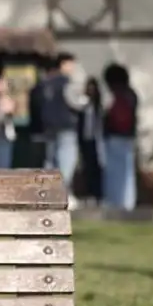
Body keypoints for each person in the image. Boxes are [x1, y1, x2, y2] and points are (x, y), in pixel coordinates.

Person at [38, 52, 88, 206]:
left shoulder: (46, 83)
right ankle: (63, 194)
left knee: (51, 161)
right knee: (66, 162)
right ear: (64, 64)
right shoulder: (67, 82)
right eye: (71, 64)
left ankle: (47, 194)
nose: (73, 68)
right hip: (66, 127)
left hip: (49, 127)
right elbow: (75, 102)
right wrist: (85, 101)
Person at [102, 63, 139, 210]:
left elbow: (106, 113)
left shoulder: (112, 95)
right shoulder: (131, 94)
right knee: (127, 171)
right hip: (128, 136)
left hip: (113, 136)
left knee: (113, 171)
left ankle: (115, 201)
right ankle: (127, 202)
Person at [77, 77, 104, 205]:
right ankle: (88, 193)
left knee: (96, 167)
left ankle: (97, 194)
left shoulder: (99, 106)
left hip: (96, 140)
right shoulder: (84, 105)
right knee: (87, 166)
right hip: (85, 140)